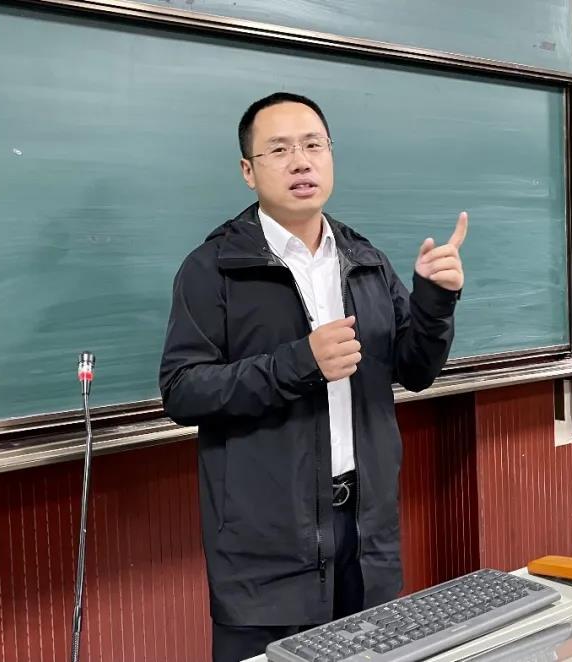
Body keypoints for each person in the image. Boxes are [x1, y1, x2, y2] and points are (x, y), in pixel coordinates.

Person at [159, 92, 466, 662]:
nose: (301, 161)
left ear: (330, 155)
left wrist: (434, 301)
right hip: (267, 551)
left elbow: (417, 371)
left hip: (365, 534)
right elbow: (183, 390)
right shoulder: (214, 269)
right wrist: (300, 363)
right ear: (248, 171)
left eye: (313, 145)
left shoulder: (365, 260)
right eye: (279, 150)